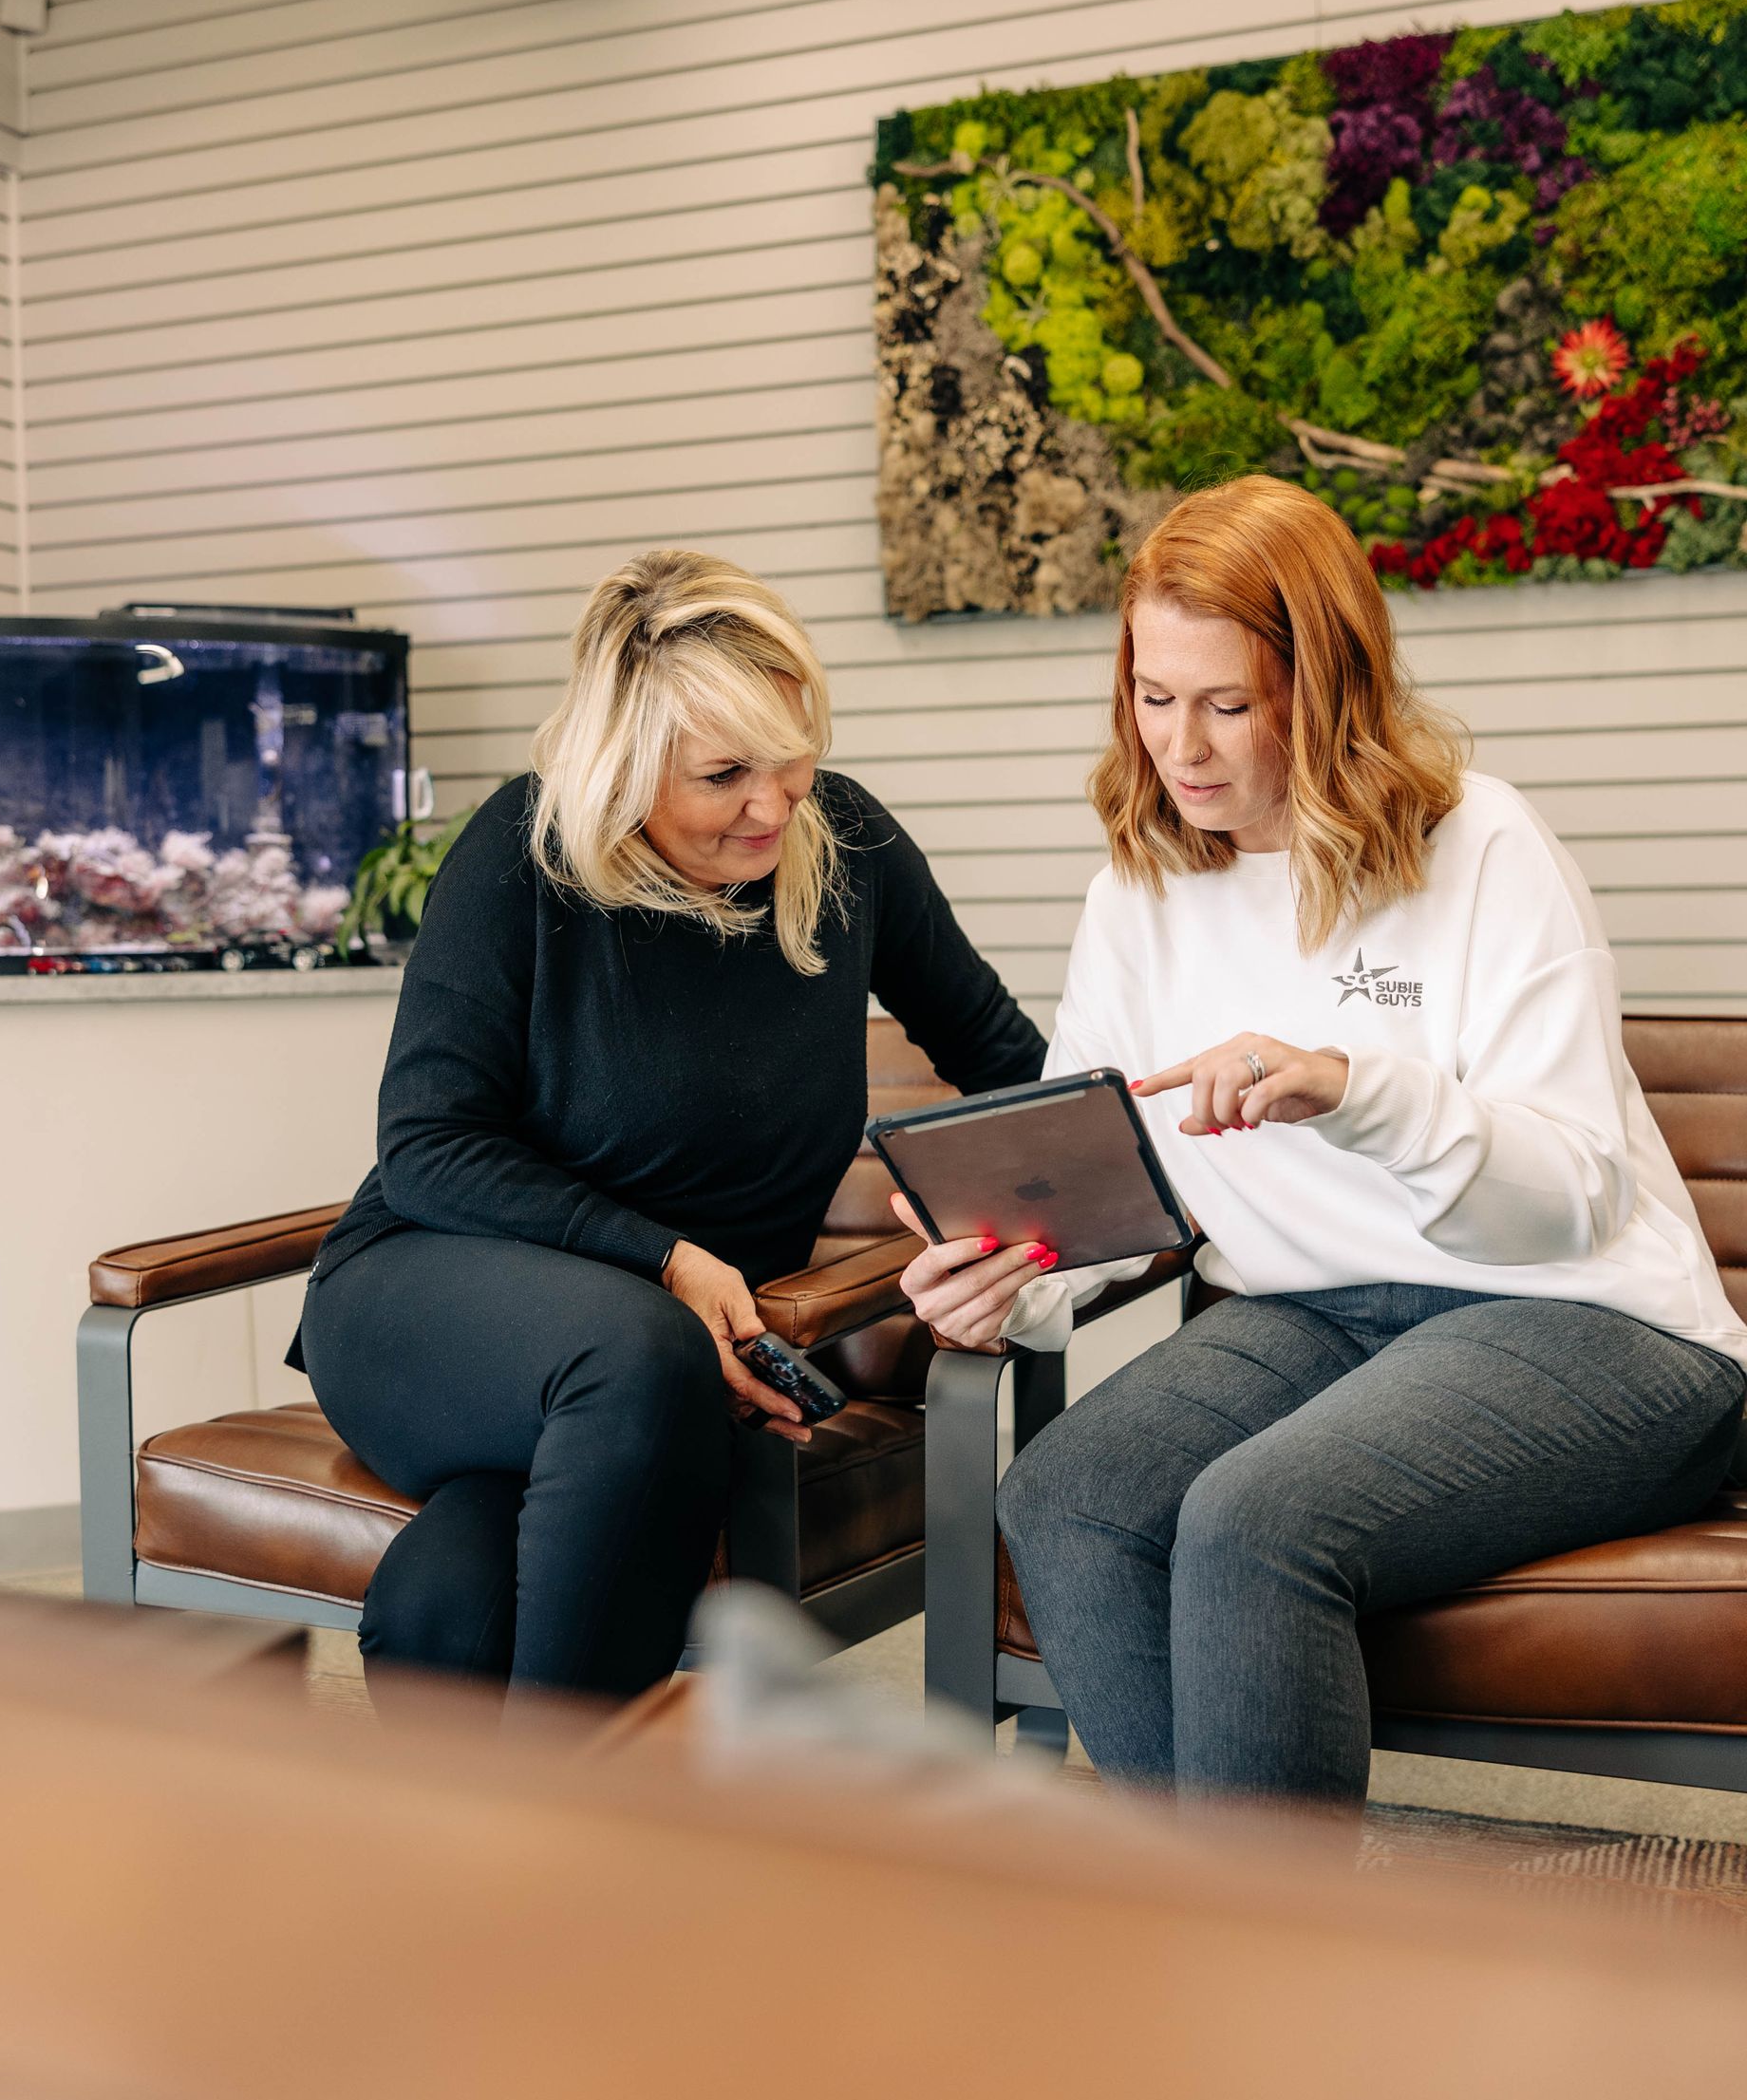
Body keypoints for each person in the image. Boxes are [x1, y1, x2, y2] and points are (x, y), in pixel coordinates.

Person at [892, 476, 1747, 1812]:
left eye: (1230, 705)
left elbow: (1575, 1198)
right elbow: (1099, 1177)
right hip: (1313, 1314)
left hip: (1589, 1323)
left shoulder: (1484, 845)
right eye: (1153, 696)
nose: (1186, 747)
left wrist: (1354, 1088)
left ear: (1328, 685)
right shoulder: (1142, 887)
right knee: (1069, 1498)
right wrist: (1010, 1275)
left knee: (1254, 1521)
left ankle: (1267, 1987)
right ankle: (1216, 1943)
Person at [295, 551, 1045, 1704]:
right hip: (428, 1297)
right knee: (639, 1353)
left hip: (663, 1368)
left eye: (793, 757)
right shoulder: (521, 855)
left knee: (448, 1599)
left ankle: (468, 1870)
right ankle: (598, 1852)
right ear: (623, 763)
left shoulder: (842, 847)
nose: (773, 803)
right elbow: (431, 1146)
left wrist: (1037, 1213)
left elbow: (1007, 1064)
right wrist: (668, 1262)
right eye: (724, 773)